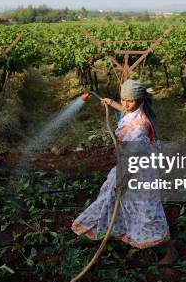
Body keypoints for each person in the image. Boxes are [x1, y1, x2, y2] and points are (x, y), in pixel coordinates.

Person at [71, 79, 178, 264]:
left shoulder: (140, 126)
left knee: (146, 210)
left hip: (138, 172)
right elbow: (126, 111)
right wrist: (112, 103)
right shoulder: (133, 112)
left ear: (140, 100)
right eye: (123, 99)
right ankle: (117, 231)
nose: (126, 104)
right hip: (127, 166)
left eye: (130, 101)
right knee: (112, 199)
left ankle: (170, 250)